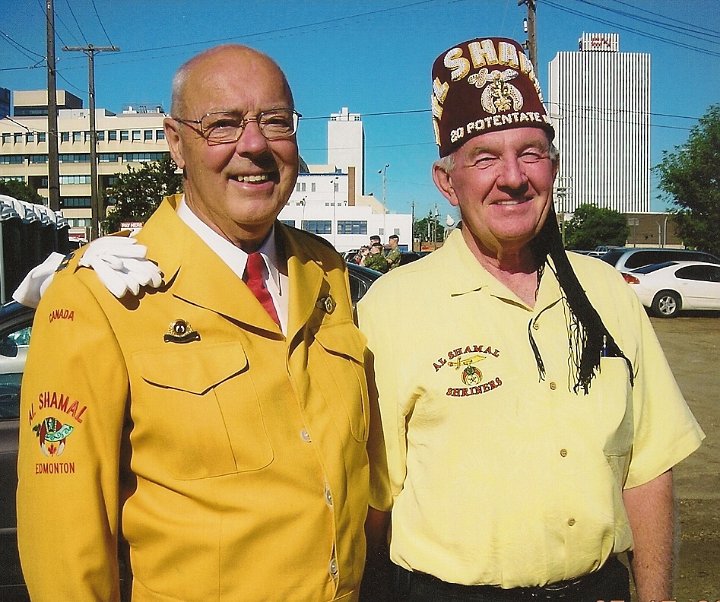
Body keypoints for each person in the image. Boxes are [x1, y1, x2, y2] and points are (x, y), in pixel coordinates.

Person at [17, 44, 372, 601]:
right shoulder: (102, 294)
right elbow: (64, 538)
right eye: (222, 125)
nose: (253, 145)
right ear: (175, 143)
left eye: (275, 122)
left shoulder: (325, 270)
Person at [358, 37, 704, 602]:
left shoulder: (607, 294)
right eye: (485, 158)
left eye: (530, 153)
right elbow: (374, 501)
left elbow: (648, 472)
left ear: (554, 167)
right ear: (447, 182)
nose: (513, 177)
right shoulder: (391, 307)